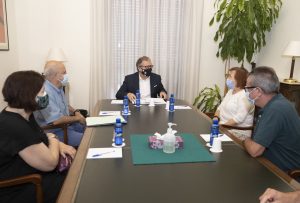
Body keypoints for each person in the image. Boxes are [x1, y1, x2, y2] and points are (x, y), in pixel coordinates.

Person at [0, 70, 76, 203]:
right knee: (76, 184)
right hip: (24, 186)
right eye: (42, 92)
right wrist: (55, 141)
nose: (45, 95)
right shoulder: (15, 126)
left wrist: (58, 143)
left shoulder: (22, 114)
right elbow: (50, 164)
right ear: (28, 95)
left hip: (33, 173)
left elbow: (39, 136)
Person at [243, 66, 300, 173]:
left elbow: (255, 151)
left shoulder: (275, 109)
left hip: (284, 176)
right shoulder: (277, 103)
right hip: (269, 164)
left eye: (248, 87)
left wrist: (245, 140)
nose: (246, 90)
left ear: (258, 91)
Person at [34, 61, 86, 147]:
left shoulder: (58, 87)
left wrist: (76, 111)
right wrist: (77, 118)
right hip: (56, 131)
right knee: (88, 140)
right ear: (56, 76)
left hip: (67, 126)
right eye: (64, 72)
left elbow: (65, 105)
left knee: (91, 129)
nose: (67, 74)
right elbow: (56, 120)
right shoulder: (44, 92)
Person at [214, 67, 254, 140]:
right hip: (224, 128)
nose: (227, 78)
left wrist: (220, 126)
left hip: (238, 132)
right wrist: (215, 119)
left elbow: (238, 119)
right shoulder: (230, 91)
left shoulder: (245, 96)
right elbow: (220, 108)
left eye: (230, 76)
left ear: (238, 79)